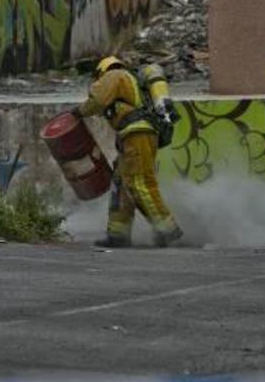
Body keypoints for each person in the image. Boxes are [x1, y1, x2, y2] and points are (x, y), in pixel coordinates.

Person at [72, 56, 183, 248]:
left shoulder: (114, 75)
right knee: (121, 184)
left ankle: (167, 229)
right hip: (135, 135)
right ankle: (118, 234)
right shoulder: (132, 81)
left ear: (101, 71)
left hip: (136, 133)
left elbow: (97, 100)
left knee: (140, 183)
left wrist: (78, 111)